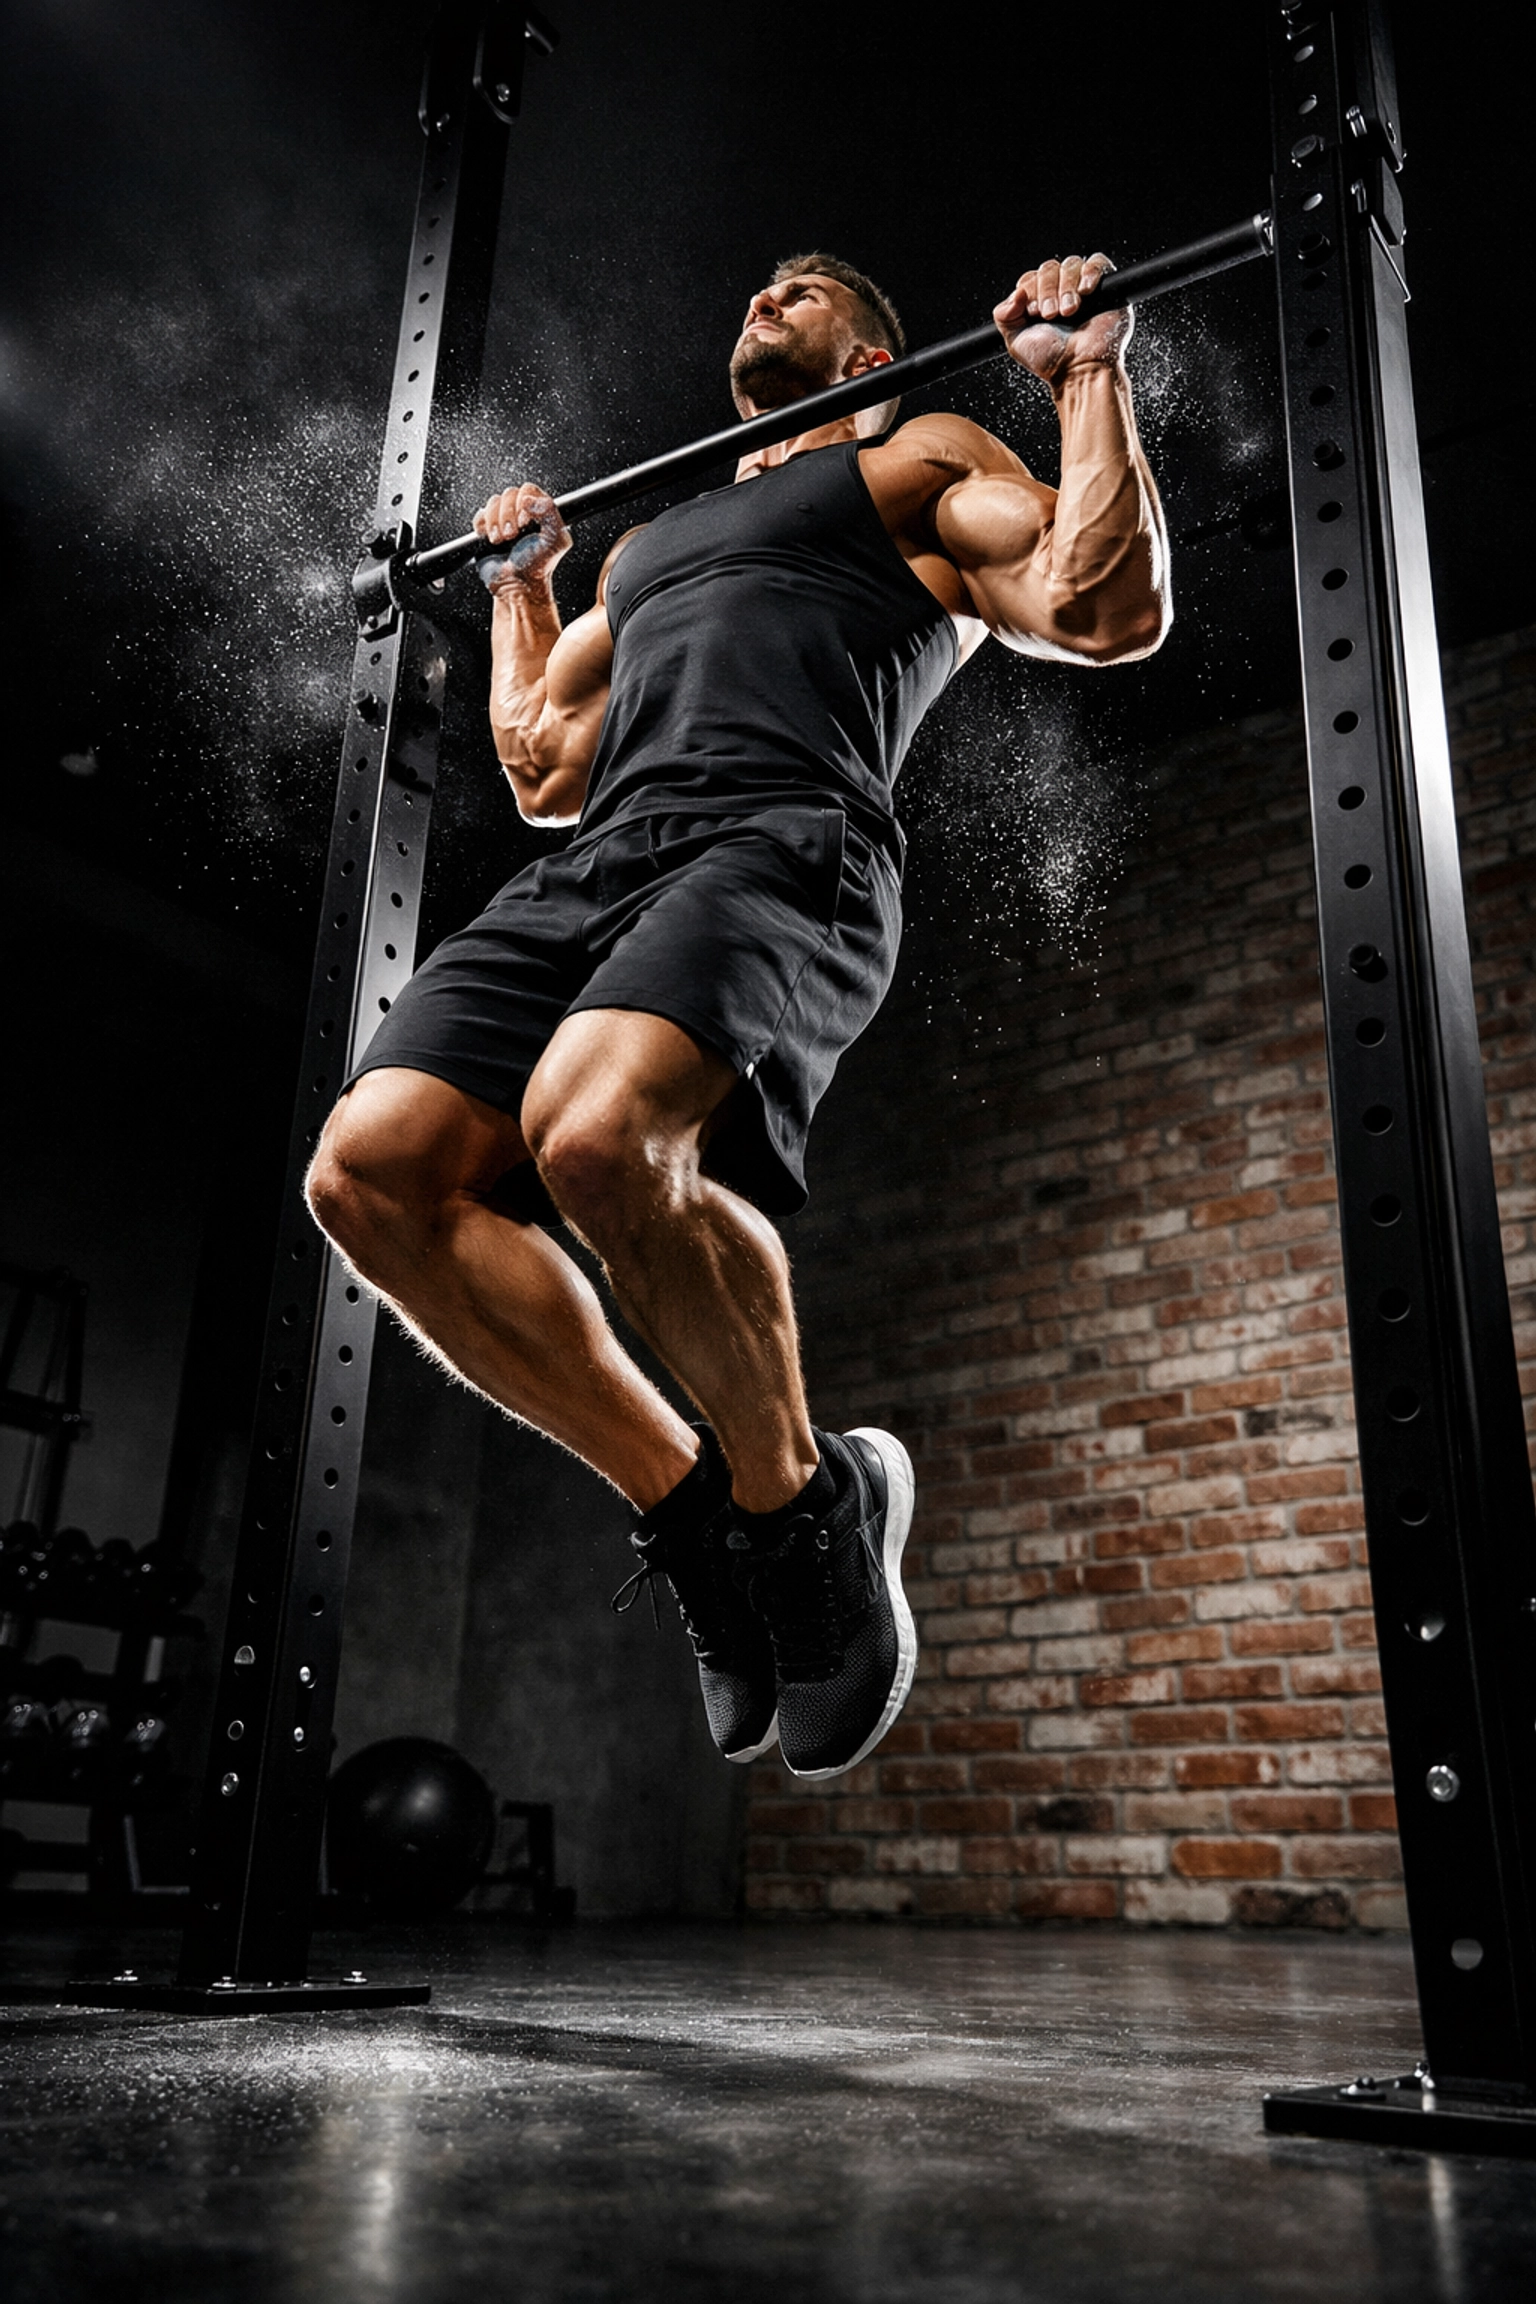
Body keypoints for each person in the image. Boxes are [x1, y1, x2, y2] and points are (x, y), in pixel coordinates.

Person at [305, 250, 1169, 1782]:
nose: (768, 291)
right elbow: (542, 767)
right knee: (367, 1173)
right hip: (613, 857)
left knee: (593, 1132)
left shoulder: (916, 463)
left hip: (786, 837)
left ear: (865, 359)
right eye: (759, 283)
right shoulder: (652, 544)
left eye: (812, 288)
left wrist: (1088, 371)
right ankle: (702, 1522)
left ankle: (807, 1521)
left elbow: (1100, 605)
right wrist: (525, 590)